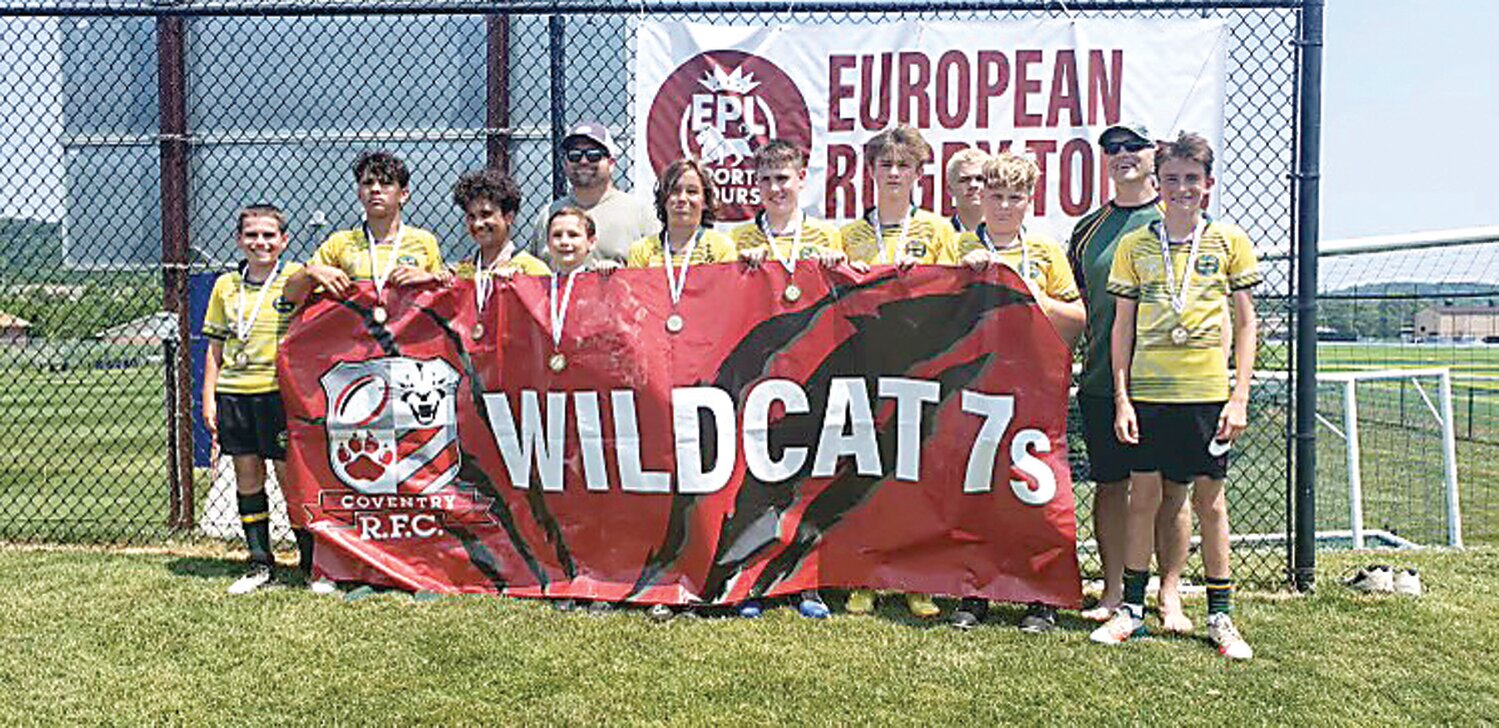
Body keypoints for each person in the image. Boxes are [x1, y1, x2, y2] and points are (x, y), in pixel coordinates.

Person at [1091, 132, 1261, 660]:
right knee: (1143, 498)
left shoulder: (1229, 242)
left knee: (1209, 503)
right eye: (1172, 179)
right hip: (1148, 394)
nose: (1182, 188)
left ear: (1207, 185)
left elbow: (1247, 323)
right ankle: (1131, 612)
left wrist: (1239, 396)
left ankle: (1220, 616)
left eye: (1192, 179)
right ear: (1157, 184)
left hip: (1207, 395)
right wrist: (1121, 397)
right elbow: (1122, 328)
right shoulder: (1136, 245)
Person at [948, 152, 1085, 632]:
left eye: (1015, 197)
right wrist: (959, 282)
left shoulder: (1045, 253)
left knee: (1035, 490)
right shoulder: (958, 245)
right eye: (996, 195)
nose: (1005, 206)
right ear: (980, 196)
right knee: (976, 489)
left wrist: (1032, 294)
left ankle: (1039, 595)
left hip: (1032, 387)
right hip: (974, 385)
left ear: (1030, 200)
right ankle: (975, 591)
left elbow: (1077, 322)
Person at [1066, 123, 1195, 631]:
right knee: (1111, 485)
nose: (1123, 156)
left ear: (1153, 155)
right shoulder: (1087, 230)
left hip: (1170, 384)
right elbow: (1077, 305)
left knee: (1170, 489)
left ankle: (1169, 592)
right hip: (1104, 381)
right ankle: (1116, 588)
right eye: (1112, 148)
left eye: (1133, 147)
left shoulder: (1175, 222)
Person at [729, 139, 855, 620]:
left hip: (813, 373)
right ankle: (755, 578)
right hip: (757, 378)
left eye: (784, 178)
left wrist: (835, 270)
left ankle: (807, 583)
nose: (775, 188)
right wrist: (743, 272)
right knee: (756, 477)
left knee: (810, 478)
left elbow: (846, 300)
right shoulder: (739, 241)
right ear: (755, 186)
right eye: (766, 180)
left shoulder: (827, 238)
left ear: (802, 179)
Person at [201, 203, 307, 594]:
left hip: (278, 394)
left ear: (284, 240)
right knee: (247, 475)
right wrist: (208, 398)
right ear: (238, 240)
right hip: (235, 394)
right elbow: (214, 347)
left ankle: (311, 563)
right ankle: (261, 562)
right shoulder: (225, 286)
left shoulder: (294, 278)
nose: (260, 242)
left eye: (268, 235)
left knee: (289, 477)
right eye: (251, 235)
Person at [284, 151, 448, 308]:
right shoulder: (340, 242)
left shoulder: (424, 240)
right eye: (368, 183)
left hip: (406, 334)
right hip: (353, 334)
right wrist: (310, 272)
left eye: (386, 183)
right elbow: (290, 295)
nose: (375, 189)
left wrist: (429, 279)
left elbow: (445, 297)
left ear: (403, 194)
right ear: (359, 193)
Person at [533, 121, 658, 263]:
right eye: (575, 155)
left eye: (594, 155)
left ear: (611, 164)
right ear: (565, 163)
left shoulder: (639, 215)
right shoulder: (549, 215)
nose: (584, 161)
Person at [839, 124, 957, 271]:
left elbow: (948, 288)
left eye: (903, 165)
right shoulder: (846, 236)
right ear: (871, 170)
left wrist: (922, 275)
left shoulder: (939, 229)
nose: (894, 173)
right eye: (886, 165)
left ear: (919, 172)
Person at [625, 157, 736, 269]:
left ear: (705, 202)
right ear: (664, 199)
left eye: (692, 192)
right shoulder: (641, 251)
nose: (682, 198)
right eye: (675, 191)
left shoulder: (721, 248)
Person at [450, 168, 551, 280]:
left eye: (486, 214)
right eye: (471, 217)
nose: (478, 224)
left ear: (509, 217)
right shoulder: (461, 274)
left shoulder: (532, 270)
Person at [945, 146, 990, 234]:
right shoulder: (939, 234)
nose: (973, 185)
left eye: (980, 178)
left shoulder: (1014, 234)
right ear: (950, 189)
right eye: (964, 180)